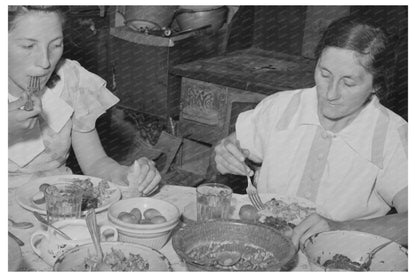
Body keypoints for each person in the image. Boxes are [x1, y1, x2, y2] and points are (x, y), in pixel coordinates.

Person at [214, 15, 407, 248]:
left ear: (376, 85)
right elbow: (224, 154)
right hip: (264, 243)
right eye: (325, 74)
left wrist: (339, 229)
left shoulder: (392, 134)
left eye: (349, 83)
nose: (330, 93)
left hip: (339, 254)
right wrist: (224, 153)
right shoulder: (281, 107)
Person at [8, 6, 161, 195]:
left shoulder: (71, 80)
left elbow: (96, 163)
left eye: (56, 45)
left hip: (59, 205)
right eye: (29, 46)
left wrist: (127, 174)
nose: (45, 62)